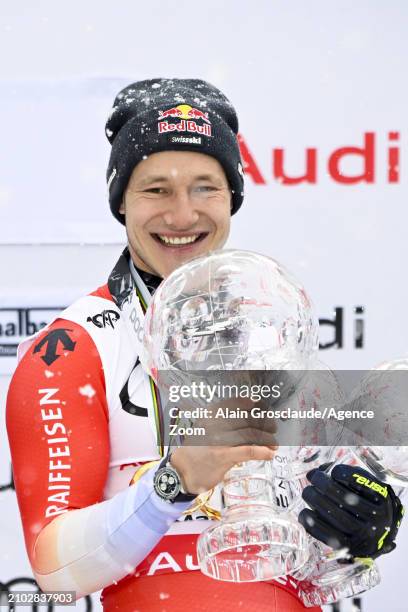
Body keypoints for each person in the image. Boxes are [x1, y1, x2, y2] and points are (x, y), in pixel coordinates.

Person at [6, 79, 403, 612]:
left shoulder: (272, 325)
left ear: (232, 197)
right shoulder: (76, 349)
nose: (183, 215)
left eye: (205, 187)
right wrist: (176, 482)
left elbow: (316, 544)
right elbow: (54, 570)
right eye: (156, 189)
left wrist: (356, 528)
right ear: (121, 202)